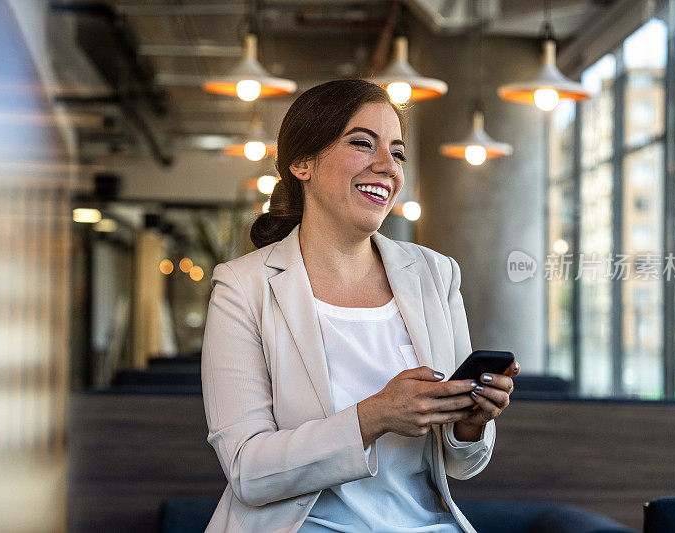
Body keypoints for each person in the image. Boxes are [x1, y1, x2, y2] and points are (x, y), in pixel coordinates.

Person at [201, 79, 520, 533]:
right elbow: (248, 470)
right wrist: (375, 416)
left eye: (397, 152)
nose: (387, 167)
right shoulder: (242, 287)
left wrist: (470, 423)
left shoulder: (436, 274)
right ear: (302, 163)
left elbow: (460, 464)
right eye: (361, 143)